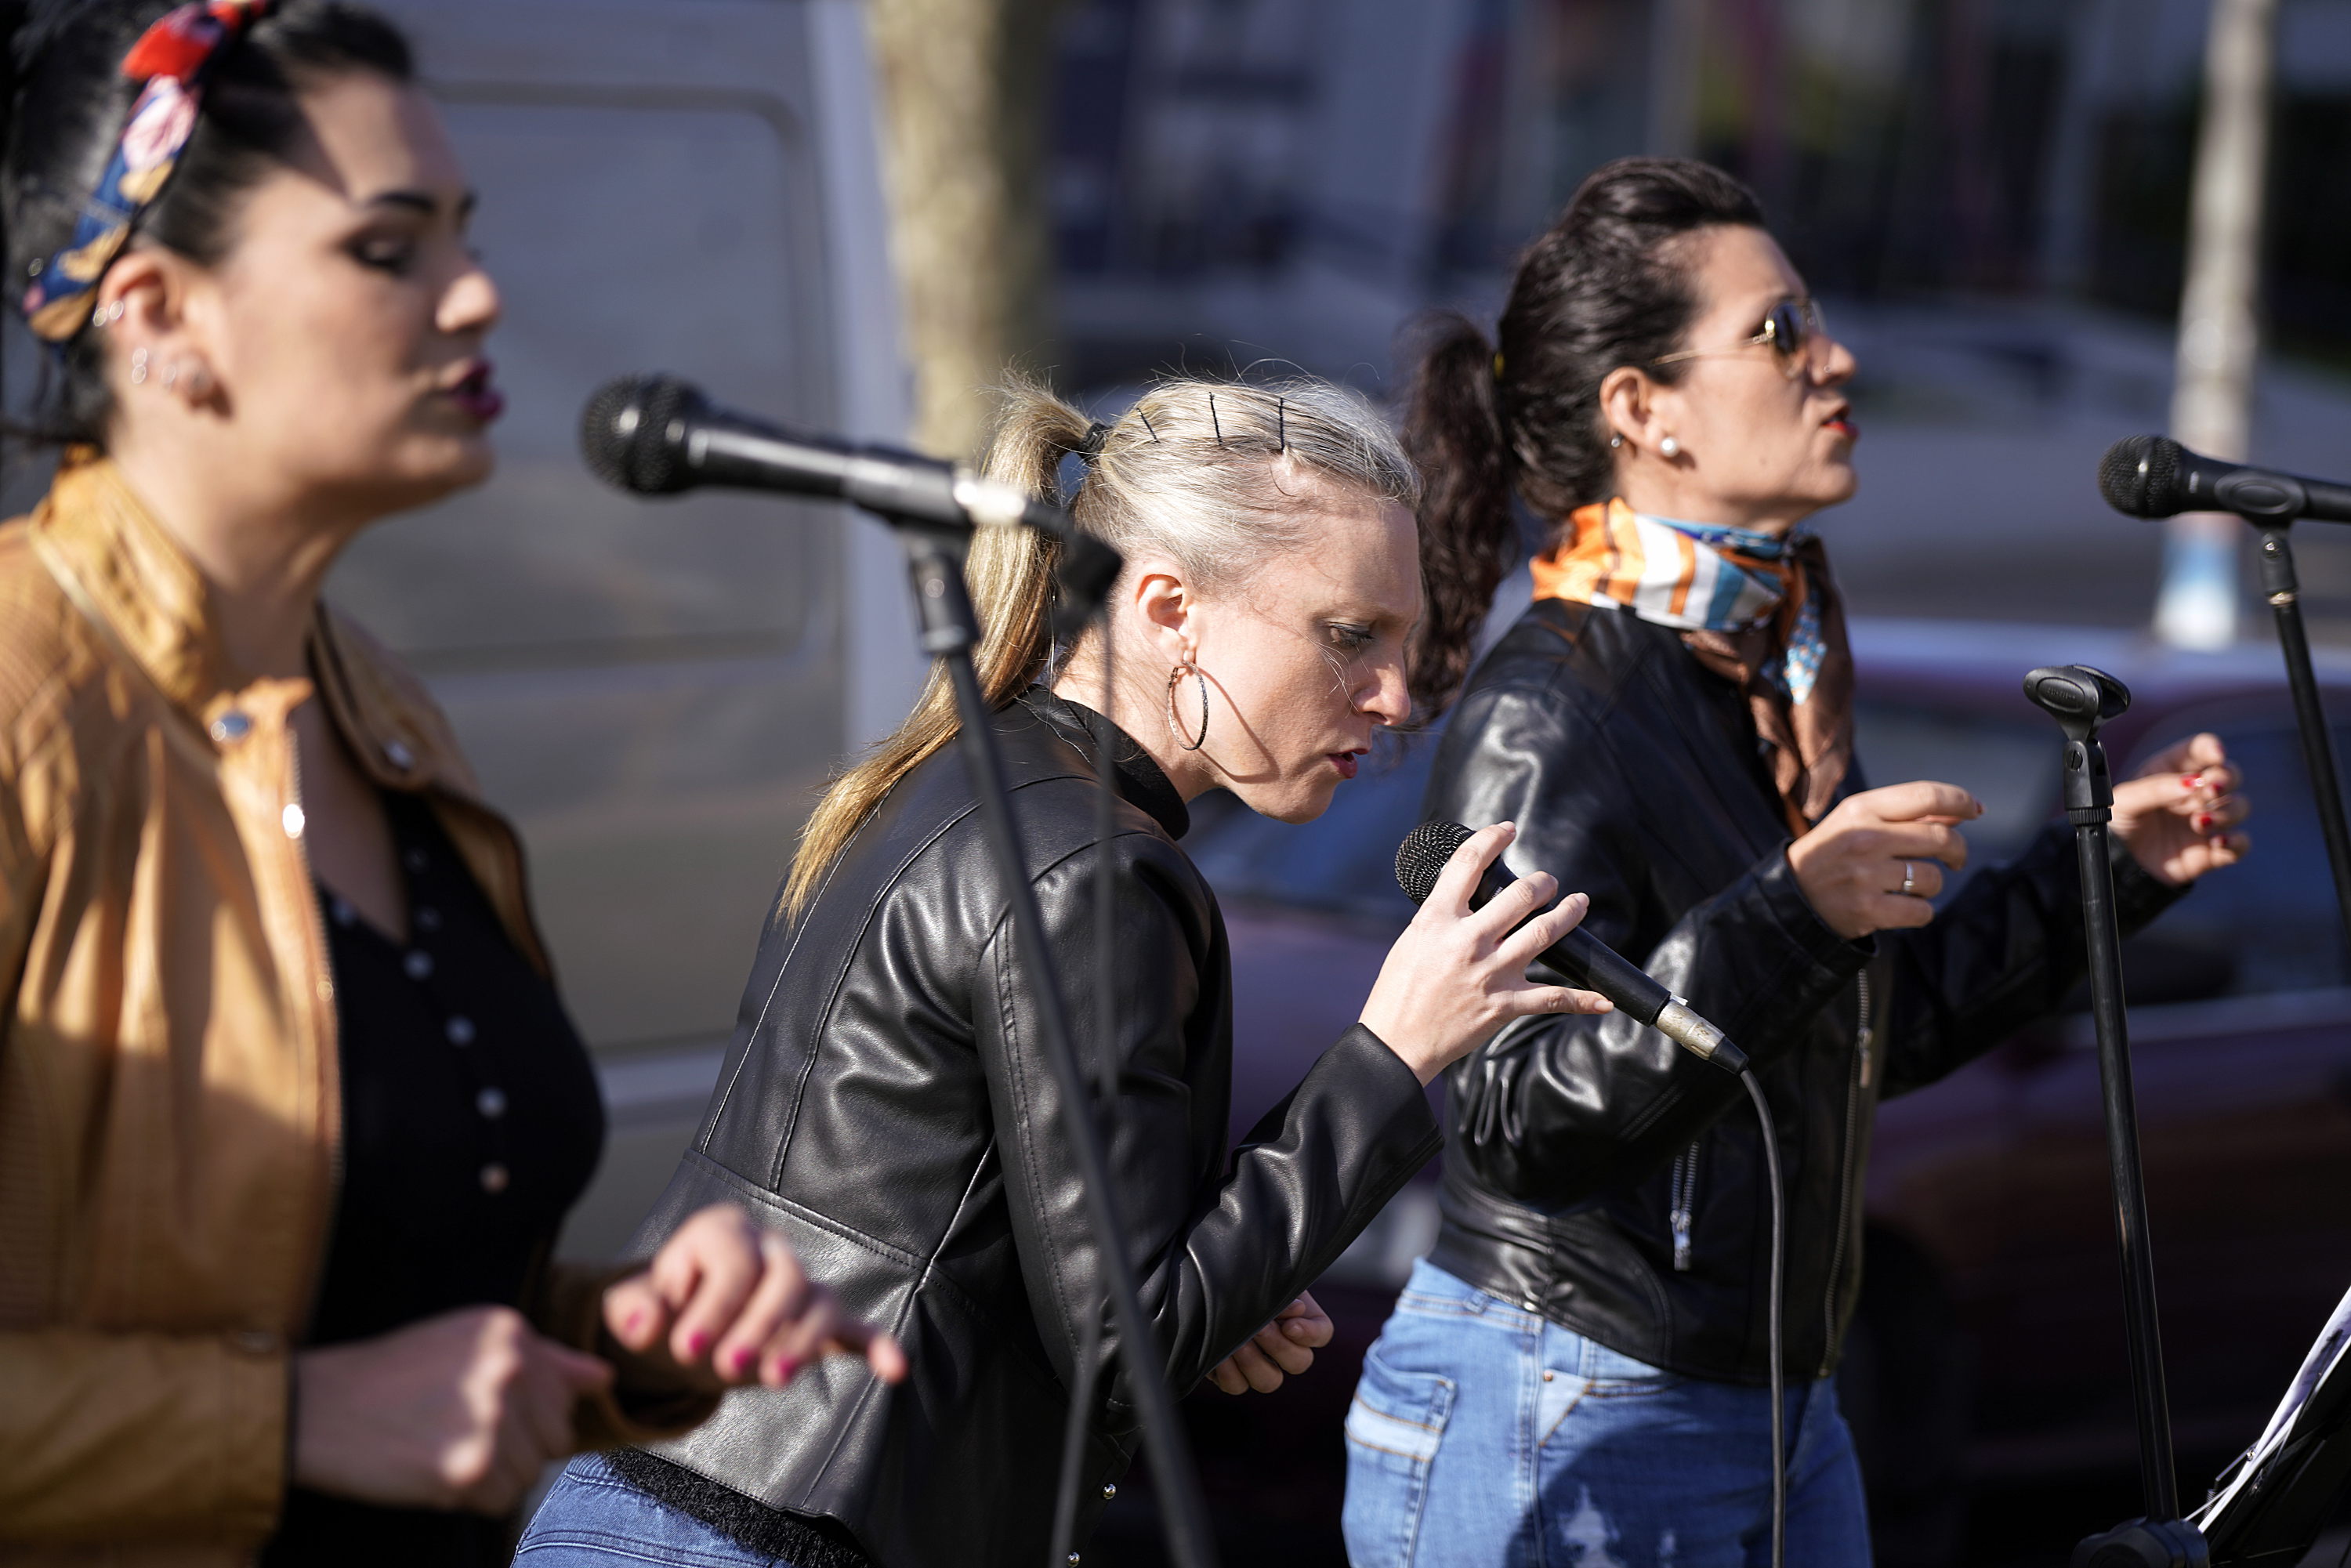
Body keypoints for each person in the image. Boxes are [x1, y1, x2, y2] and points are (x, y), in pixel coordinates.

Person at [0, 5, 900, 1564]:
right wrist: (289, 1420)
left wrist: (619, 1335)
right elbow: (334, 1384)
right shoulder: (23, 706)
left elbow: (392, 1301)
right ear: (158, 314)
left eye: (464, 235)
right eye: (387, 249)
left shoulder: (381, 713)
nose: (479, 293)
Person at [514, 375, 1616, 1566]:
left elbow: (972, 1211)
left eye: (1403, 643)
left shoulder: (963, 773)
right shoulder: (1094, 868)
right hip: (768, 1532)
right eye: (1350, 635)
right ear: (1167, 606)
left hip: (687, 1495)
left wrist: (1228, 1275)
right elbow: (1125, 1330)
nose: (1396, 698)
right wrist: (1394, 1054)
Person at [1341, 157, 2252, 1568]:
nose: (1836, 357)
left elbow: (1871, 1026)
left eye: (1814, 318)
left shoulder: (1772, 666)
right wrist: (1788, 913)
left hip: (1774, 1406)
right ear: (1645, 414)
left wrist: (2107, 871)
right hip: (1568, 1399)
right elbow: (1515, 1115)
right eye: (1779, 332)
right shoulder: (1556, 701)